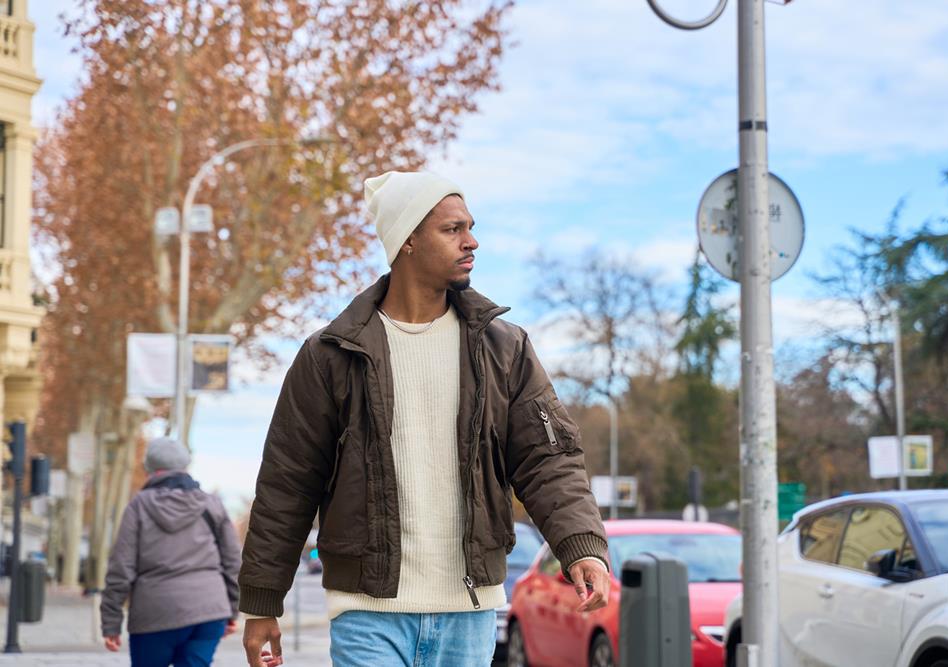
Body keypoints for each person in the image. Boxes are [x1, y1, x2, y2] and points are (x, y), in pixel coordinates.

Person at [239, 171, 610, 667]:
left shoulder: (504, 347)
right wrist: (263, 601)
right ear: (408, 239)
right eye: (452, 229)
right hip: (367, 610)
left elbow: (548, 461)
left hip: (469, 610)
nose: (471, 241)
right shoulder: (330, 354)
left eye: (470, 227)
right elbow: (288, 482)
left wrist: (579, 544)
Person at [102, 437, 242, 667]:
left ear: (148, 468)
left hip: (154, 613)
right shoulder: (211, 504)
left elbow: (121, 567)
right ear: (186, 466)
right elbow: (233, 561)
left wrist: (111, 621)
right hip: (208, 610)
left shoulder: (139, 506)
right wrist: (231, 610)